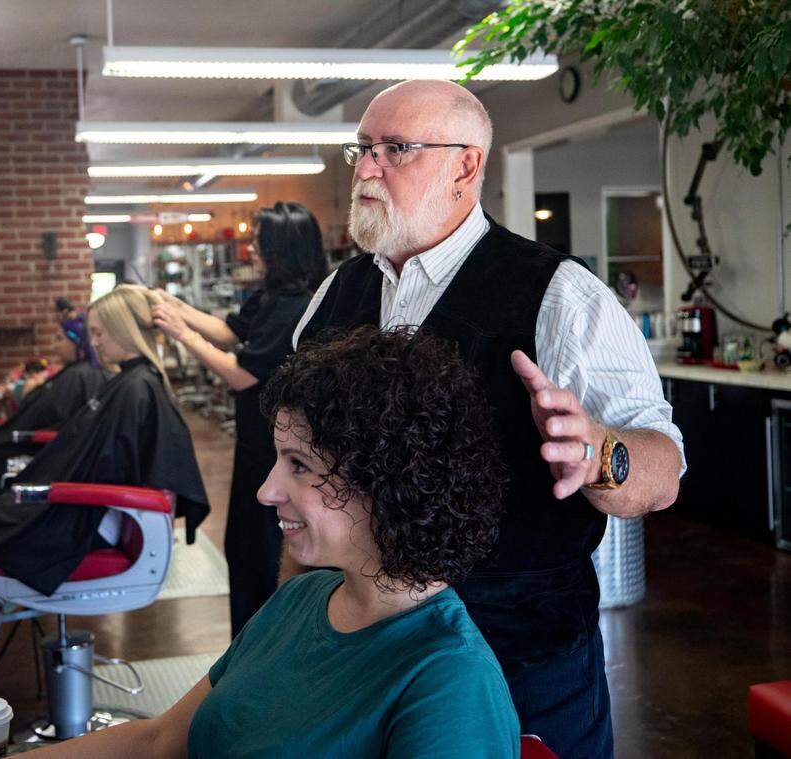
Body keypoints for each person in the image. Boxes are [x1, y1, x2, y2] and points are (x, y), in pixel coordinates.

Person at [292, 80, 684, 759]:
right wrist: (290, 620)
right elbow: (303, 478)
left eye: (394, 149)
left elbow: (664, 468)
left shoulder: (559, 296)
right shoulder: (337, 294)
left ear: (466, 166)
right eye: (361, 149)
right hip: (359, 652)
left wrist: (600, 452)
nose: (365, 168)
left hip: (519, 659)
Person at [16, 327, 520, 759]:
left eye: (299, 464)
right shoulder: (301, 600)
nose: (266, 490)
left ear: (386, 481)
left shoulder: (450, 681)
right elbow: (159, 740)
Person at [0, 285, 209, 693]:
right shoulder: (132, 382)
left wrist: (40, 492)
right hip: (88, 512)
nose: (95, 341)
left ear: (123, 330)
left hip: (83, 518)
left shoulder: (135, 388)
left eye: (100, 331)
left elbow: (104, 471)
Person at [152, 201, 328, 637]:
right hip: (253, 445)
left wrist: (180, 333)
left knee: (261, 553)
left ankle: (260, 649)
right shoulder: (270, 296)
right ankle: (244, 648)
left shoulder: (297, 306)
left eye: (258, 243)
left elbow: (241, 373)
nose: (250, 249)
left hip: (276, 452)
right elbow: (228, 330)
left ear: (281, 248)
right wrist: (174, 305)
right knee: (241, 546)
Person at [0, 307, 109, 489]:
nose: (55, 346)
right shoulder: (79, 373)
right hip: (39, 443)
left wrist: (29, 393)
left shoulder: (79, 376)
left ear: (77, 342)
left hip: (40, 449)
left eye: (60, 339)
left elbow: (46, 417)